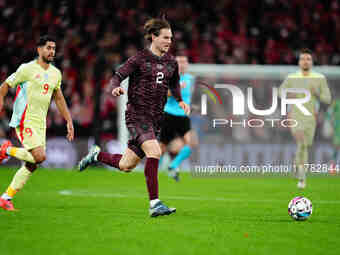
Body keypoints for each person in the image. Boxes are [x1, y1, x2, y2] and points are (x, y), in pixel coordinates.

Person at [78, 17, 190, 217]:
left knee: (126, 165)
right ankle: (155, 204)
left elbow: (174, 84)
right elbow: (117, 76)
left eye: (171, 38)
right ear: (154, 37)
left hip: (156, 119)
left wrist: (180, 101)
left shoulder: (171, 62)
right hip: (137, 116)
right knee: (155, 151)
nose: (169, 41)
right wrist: (115, 88)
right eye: (165, 37)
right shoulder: (139, 59)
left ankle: (95, 155)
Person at [0, 35, 74, 211]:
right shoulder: (27, 69)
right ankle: (5, 149)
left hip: (41, 123)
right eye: (48, 48)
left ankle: (5, 198)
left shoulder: (56, 73)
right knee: (40, 157)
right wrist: (1, 100)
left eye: (54, 48)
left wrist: (69, 120)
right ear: (39, 49)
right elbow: (5, 85)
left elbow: (59, 97)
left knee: (32, 164)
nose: (52, 51)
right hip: (25, 119)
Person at [279, 48, 331, 189]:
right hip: (295, 116)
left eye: (308, 59)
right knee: (302, 143)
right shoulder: (292, 77)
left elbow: (327, 98)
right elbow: (280, 92)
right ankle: (302, 179)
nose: (305, 61)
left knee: (305, 145)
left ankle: (296, 166)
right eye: (303, 59)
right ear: (299, 62)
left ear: (312, 62)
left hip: (311, 118)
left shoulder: (319, 78)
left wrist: (317, 94)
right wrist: (289, 95)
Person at [159, 55, 198, 181]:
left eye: (184, 62)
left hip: (183, 117)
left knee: (191, 143)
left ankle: (173, 165)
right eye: (179, 62)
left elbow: (191, 96)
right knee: (161, 148)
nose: (182, 64)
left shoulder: (192, 79)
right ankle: (153, 171)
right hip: (169, 115)